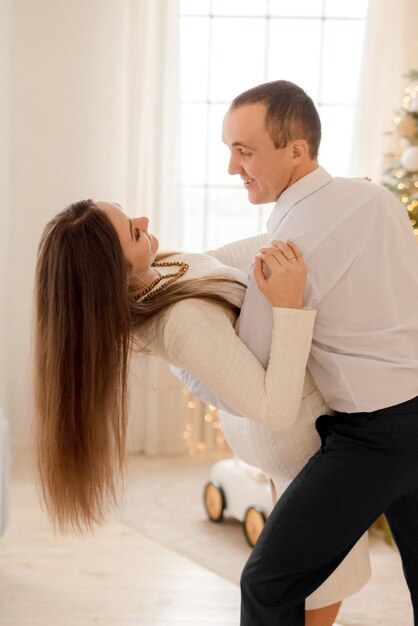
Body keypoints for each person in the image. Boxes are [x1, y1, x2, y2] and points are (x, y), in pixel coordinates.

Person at [34, 199, 370, 626]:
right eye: (133, 232)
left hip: (265, 421)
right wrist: (289, 306)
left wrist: (328, 212)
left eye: (129, 215)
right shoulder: (180, 321)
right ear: (111, 273)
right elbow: (276, 410)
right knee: (326, 573)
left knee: (318, 563)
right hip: (291, 431)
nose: (145, 221)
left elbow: (253, 249)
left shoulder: (161, 270)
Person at [175, 79, 418, 625]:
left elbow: (254, 375)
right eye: (229, 150)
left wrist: (183, 352)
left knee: (268, 582)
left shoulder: (289, 245)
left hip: (374, 437)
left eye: (245, 151)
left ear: (296, 151)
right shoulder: (375, 195)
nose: (234, 168)